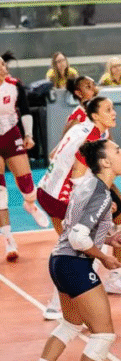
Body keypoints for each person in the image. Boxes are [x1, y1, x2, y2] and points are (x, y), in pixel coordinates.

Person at [21, 139, 121, 361]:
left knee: (71, 324)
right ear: (105, 162)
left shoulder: (87, 186)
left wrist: (108, 237)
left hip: (59, 262)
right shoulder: (101, 194)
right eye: (118, 151)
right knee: (104, 334)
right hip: (75, 264)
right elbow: (78, 237)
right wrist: (105, 257)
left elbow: (77, 228)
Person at [38, 96, 121, 320]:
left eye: (113, 108)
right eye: (108, 109)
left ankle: (115, 278)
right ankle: (57, 304)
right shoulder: (88, 136)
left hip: (52, 188)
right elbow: (77, 174)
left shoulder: (93, 130)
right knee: (82, 248)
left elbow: (57, 155)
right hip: (59, 196)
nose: (114, 113)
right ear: (95, 116)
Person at [0, 52, 50, 259]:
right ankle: (8, 240)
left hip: (11, 133)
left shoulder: (14, 84)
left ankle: (30, 203)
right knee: (0, 192)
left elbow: (25, 110)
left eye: (3, 64)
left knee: (27, 184)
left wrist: (28, 134)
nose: (4, 68)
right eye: (0, 65)